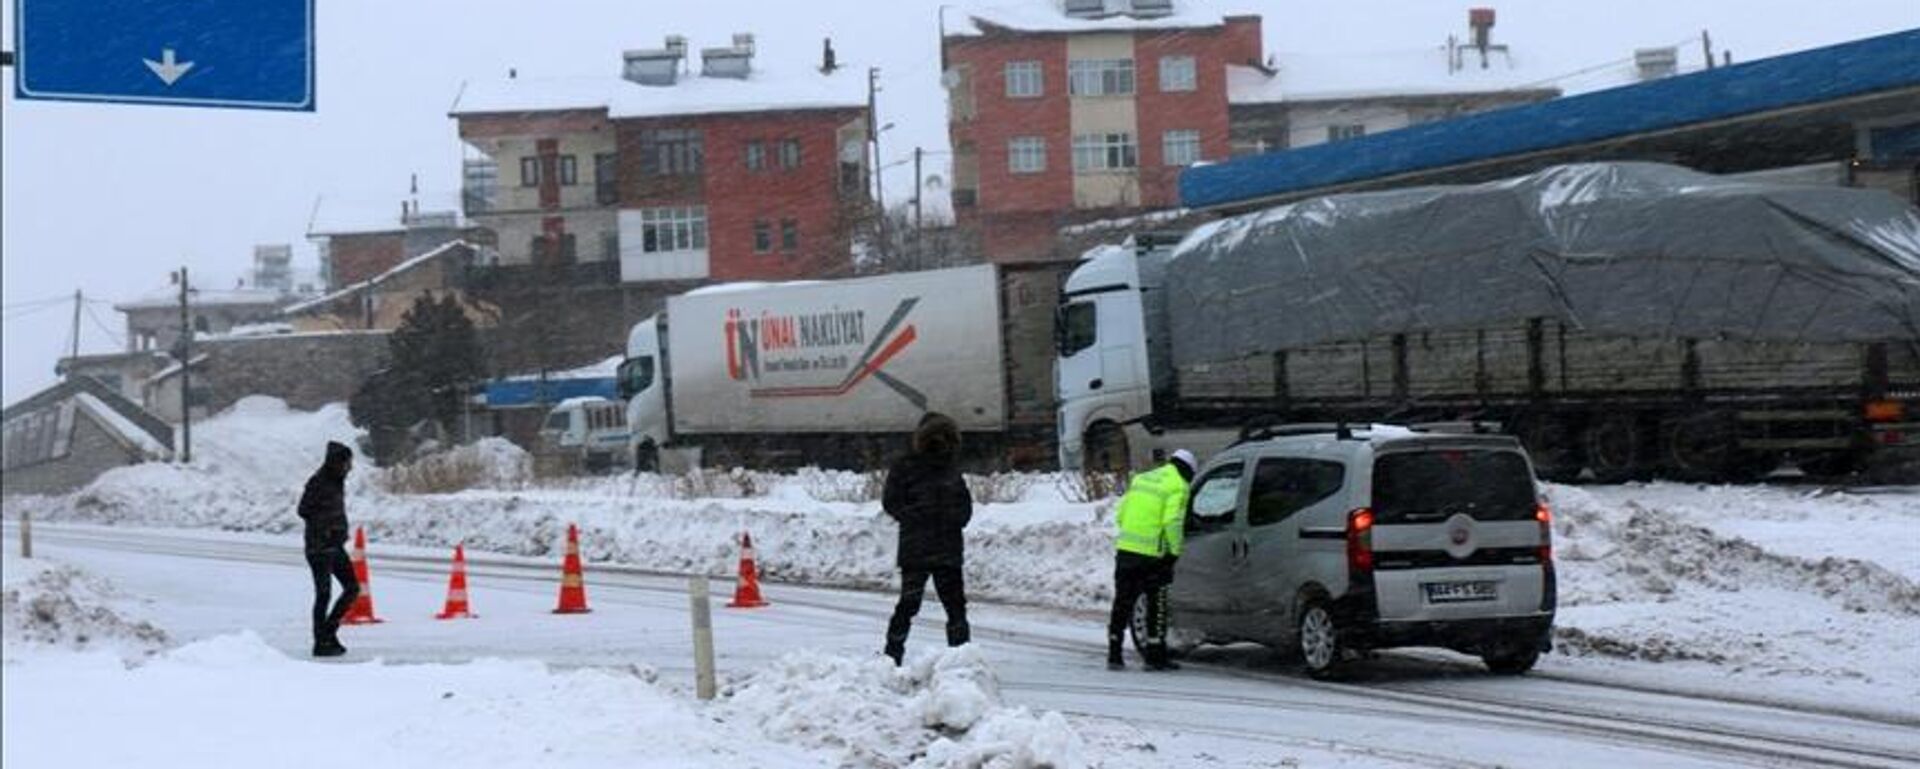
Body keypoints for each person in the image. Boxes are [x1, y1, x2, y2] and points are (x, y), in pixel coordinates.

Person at [881, 412, 973, 665]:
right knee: (955, 608)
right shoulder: (950, 467)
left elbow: (891, 502)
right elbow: (964, 507)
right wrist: (950, 521)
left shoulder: (905, 466)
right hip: (946, 548)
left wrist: (914, 518)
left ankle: (892, 656)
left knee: (909, 605)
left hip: (916, 548)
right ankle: (960, 659)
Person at [1108, 448, 1195, 671]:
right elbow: (1172, 521)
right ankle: (1154, 657)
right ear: (1188, 470)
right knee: (1156, 604)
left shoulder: (1142, 479)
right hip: (1153, 556)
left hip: (1126, 549)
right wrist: (1174, 551)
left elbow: (1121, 515)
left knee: (1123, 602)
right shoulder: (1178, 485)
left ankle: (1114, 654)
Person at [298, 441, 359, 658]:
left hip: (335, 546)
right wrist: (325, 529)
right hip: (319, 547)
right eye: (347, 462)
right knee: (324, 594)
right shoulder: (319, 482)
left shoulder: (336, 481)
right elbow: (303, 510)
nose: (350, 467)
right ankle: (321, 642)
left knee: (352, 588)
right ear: (336, 462)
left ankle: (328, 632)